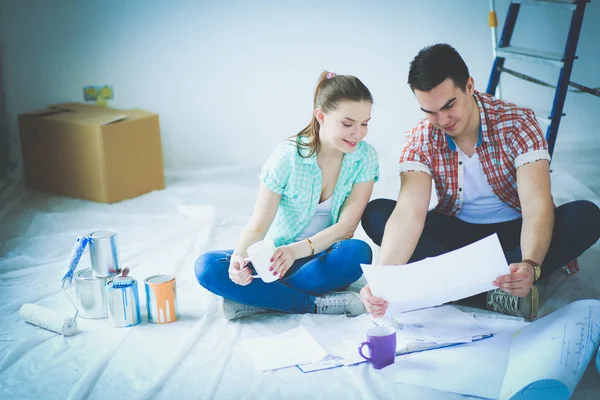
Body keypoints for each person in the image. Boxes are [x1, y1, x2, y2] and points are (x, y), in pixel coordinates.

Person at [360, 44, 600, 320]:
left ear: (470, 86)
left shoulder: (517, 123)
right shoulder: (420, 139)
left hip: (516, 232)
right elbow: (408, 214)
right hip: (458, 237)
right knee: (378, 213)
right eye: (430, 111)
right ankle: (488, 289)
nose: (442, 120)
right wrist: (384, 280)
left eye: (449, 105)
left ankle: (464, 282)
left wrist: (530, 263)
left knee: (587, 216)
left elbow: (537, 206)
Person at [195, 71, 379, 320]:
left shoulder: (365, 156)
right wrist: (238, 259)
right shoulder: (288, 156)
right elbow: (258, 225)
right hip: (277, 260)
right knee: (207, 267)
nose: (358, 134)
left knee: (358, 252)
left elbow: (347, 227)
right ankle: (311, 303)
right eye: (348, 124)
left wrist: (296, 251)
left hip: (323, 259)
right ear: (321, 116)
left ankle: (259, 301)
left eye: (365, 123)